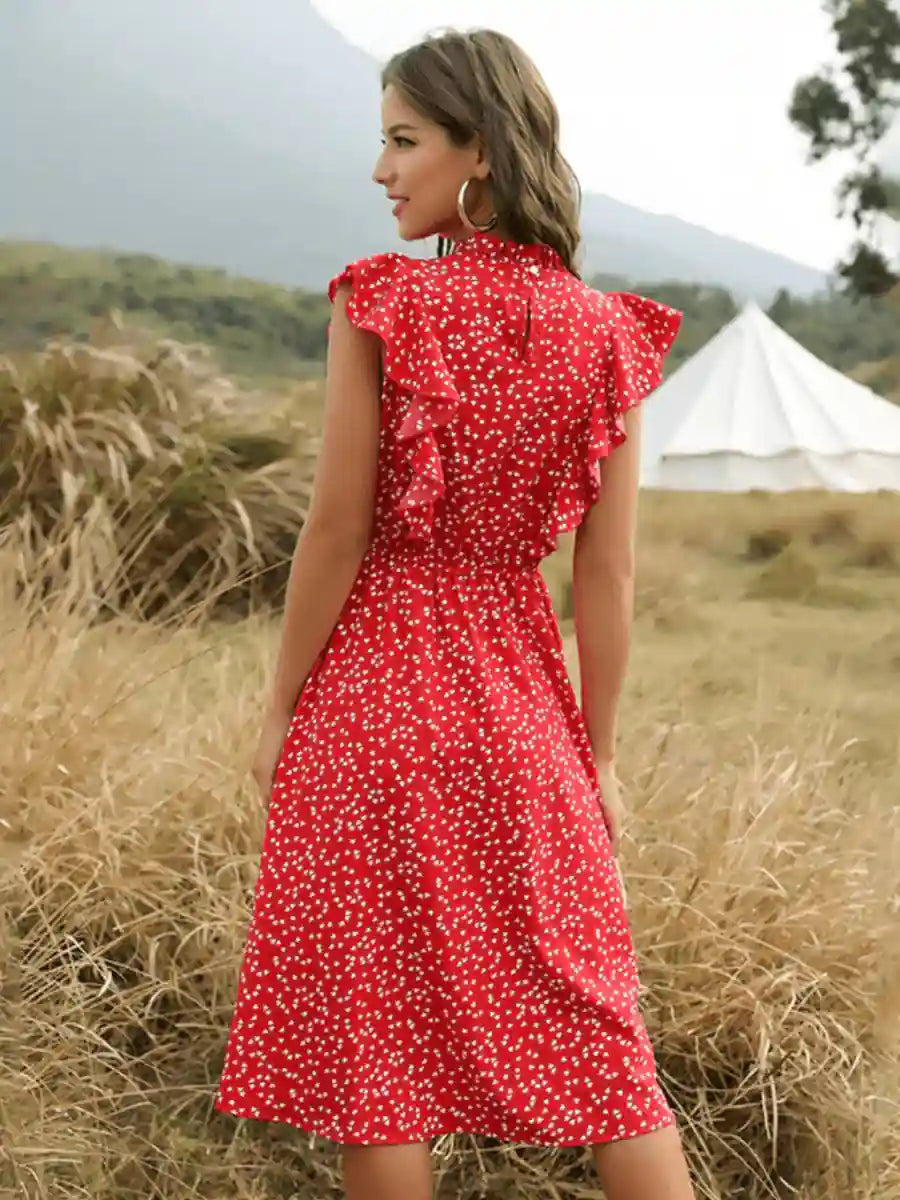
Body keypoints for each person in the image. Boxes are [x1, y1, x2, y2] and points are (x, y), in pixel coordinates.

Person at [214, 26, 695, 1200]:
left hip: (372, 706)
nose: (381, 170)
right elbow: (607, 578)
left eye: (404, 140)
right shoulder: (609, 334)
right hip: (524, 717)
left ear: (480, 149)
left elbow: (336, 532)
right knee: (604, 1045)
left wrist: (280, 709)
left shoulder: (381, 302)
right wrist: (597, 755)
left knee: (376, 1055)